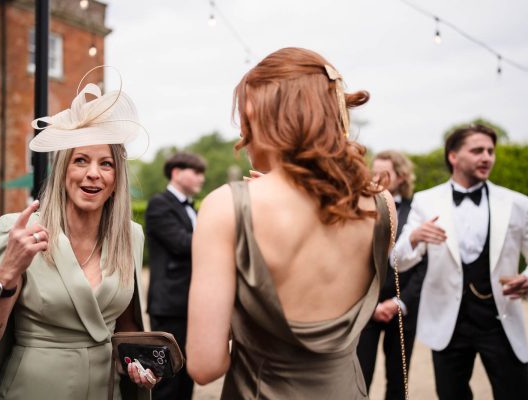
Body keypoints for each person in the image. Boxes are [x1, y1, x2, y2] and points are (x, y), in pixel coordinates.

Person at [186, 47, 396, 399]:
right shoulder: (382, 204)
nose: (242, 133)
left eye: (242, 117)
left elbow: (205, 366)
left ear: (257, 111)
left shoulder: (227, 207)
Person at [0, 75, 156, 399]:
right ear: (63, 171)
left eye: (106, 164)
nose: (93, 173)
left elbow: (127, 326)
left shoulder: (131, 236)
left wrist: (138, 365)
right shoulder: (19, 231)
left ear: (116, 179)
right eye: (81, 160)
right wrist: (9, 269)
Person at [393, 123, 528, 399]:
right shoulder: (425, 201)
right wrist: (416, 237)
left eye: (491, 151)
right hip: (448, 324)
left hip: (500, 319)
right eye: (477, 150)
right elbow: (398, 260)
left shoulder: (517, 203)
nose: (487, 157)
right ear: (453, 157)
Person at [357, 151, 427, 399]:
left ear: (401, 176)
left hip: (402, 309)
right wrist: (371, 304)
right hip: (366, 308)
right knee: (359, 377)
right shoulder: (360, 209)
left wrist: (400, 302)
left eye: (384, 173)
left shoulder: (417, 210)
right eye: (373, 171)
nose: (376, 177)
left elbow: (423, 265)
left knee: (398, 381)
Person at [145, 152, 206, 400]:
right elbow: (183, 244)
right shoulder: (160, 203)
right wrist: (219, 235)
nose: (202, 178)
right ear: (177, 172)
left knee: (187, 376)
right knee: (168, 377)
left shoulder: (191, 207)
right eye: (196, 171)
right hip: (170, 304)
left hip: (190, 303)